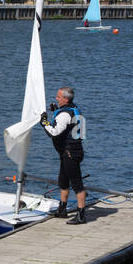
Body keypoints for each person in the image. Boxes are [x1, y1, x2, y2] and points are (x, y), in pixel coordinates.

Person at [41, 86, 87, 224]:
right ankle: (62, 209)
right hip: (68, 152)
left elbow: (54, 131)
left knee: (77, 185)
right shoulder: (73, 109)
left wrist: (44, 122)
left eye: (59, 97)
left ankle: (81, 215)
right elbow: (67, 123)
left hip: (70, 153)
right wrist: (56, 110)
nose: (56, 98)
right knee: (63, 181)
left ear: (66, 99)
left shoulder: (65, 114)